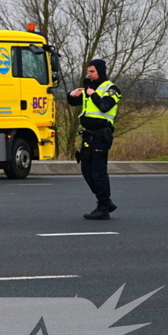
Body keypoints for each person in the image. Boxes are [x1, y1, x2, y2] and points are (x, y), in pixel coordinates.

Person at [67, 59, 122, 220]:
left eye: (92, 72)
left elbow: (104, 106)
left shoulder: (112, 89)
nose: (89, 75)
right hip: (88, 135)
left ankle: (103, 207)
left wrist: (93, 94)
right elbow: (75, 102)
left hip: (101, 135)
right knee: (86, 170)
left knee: (98, 172)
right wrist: (72, 95)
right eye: (88, 72)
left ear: (100, 71)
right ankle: (106, 201)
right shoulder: (88, 88)